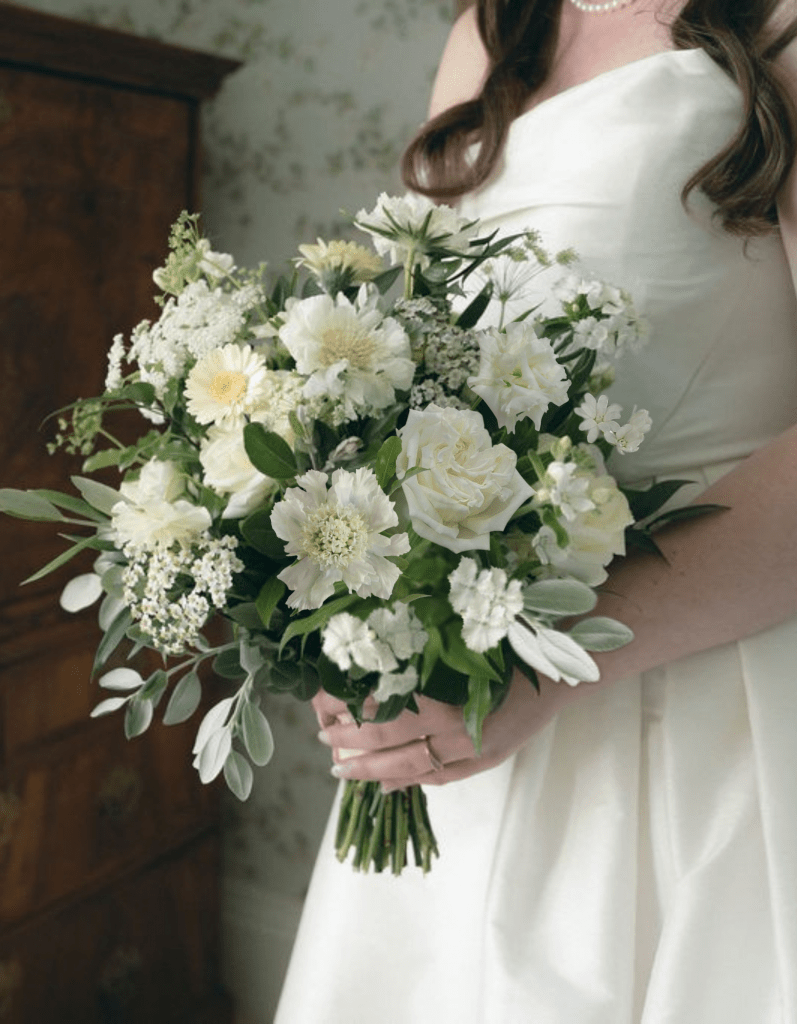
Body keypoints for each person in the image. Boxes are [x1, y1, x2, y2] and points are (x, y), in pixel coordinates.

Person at [274, 1, 797, 1020]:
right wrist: (358, 623)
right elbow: (416, 361)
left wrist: (545, 656)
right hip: (465, 680)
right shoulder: (491, 28)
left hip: (708, 705)